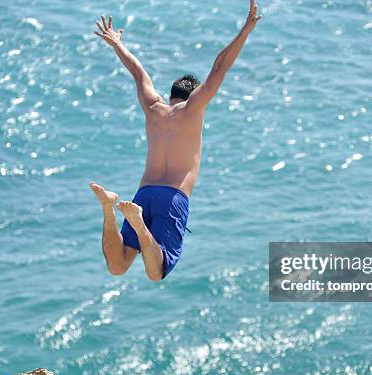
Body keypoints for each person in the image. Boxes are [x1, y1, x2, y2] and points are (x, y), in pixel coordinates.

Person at [90, 1, 262, 281]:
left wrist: (117, 43)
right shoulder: (193, 108)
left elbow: (138, 72)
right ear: (193, 95)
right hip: (172, 196)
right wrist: (246, 29)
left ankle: (109, 208)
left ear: (171, 94)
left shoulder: (154, 108)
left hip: (144, 193)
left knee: (118, 266)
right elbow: (219, 69)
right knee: (156, 272)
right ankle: (138, 225)